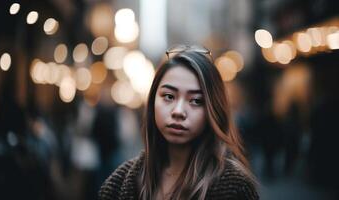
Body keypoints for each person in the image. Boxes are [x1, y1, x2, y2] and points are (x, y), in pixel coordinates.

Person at [98, 45, 259, 200]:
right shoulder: (118, 183)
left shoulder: (235, 187)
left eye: (196, 100)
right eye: (169, 96)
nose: (178, 111)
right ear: (153, 100)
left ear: (213, 109)